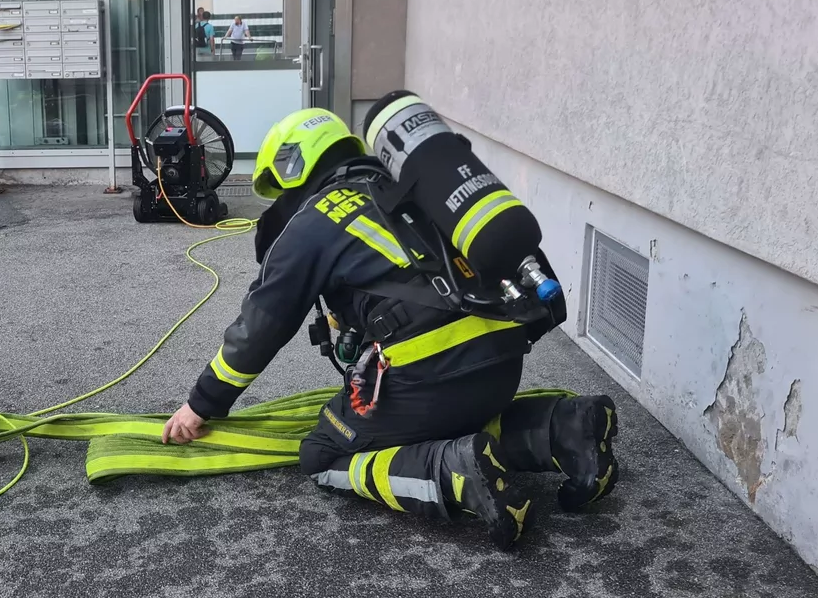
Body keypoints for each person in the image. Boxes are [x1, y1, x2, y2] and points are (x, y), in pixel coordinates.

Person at [161, 107, 620, 550]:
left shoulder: (313, 222)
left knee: (323, 454)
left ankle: (455, 472)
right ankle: (564, 428)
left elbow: (260, 326)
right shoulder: (407, 189)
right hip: (503, 358)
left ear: (292, 169)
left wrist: (200, 404)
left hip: (430, 377)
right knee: (449, 418)